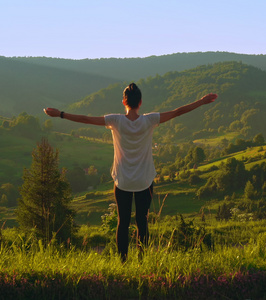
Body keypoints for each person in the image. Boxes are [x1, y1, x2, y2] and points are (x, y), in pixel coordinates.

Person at [44, 83, 217, 262]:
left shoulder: (115, 120)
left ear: (124, 102)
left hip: (123, 181)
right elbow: (177, 112)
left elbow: (86, 119)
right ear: (140, 102)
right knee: (142, 222)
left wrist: (61, 114)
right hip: (144, 180)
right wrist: (201, 102)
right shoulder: (150, 120)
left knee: (123, 222)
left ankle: (123, 262)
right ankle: (141, 261)